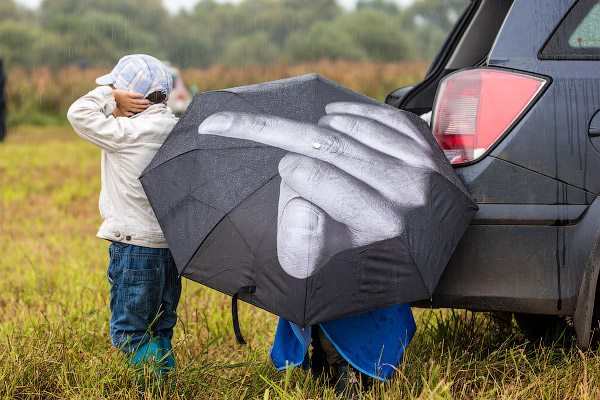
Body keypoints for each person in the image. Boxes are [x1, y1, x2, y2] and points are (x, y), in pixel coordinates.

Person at [67, 54, 181, 381]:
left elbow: (78, 113)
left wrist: (109, 98)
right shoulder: (173, 128)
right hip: (169, 249)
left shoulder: (125, 132)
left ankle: (151, 389)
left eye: (118, 89)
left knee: (131, 332)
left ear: (132, 98)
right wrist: (119, 102)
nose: (113, 93)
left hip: (134, 248)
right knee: (159, 327)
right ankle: (166, 384)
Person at [0, 57, 6, 142]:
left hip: (1, 99)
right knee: (2, 118)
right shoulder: (3, 75)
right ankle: (3, 134)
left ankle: (2, 135)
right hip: (2, 99)